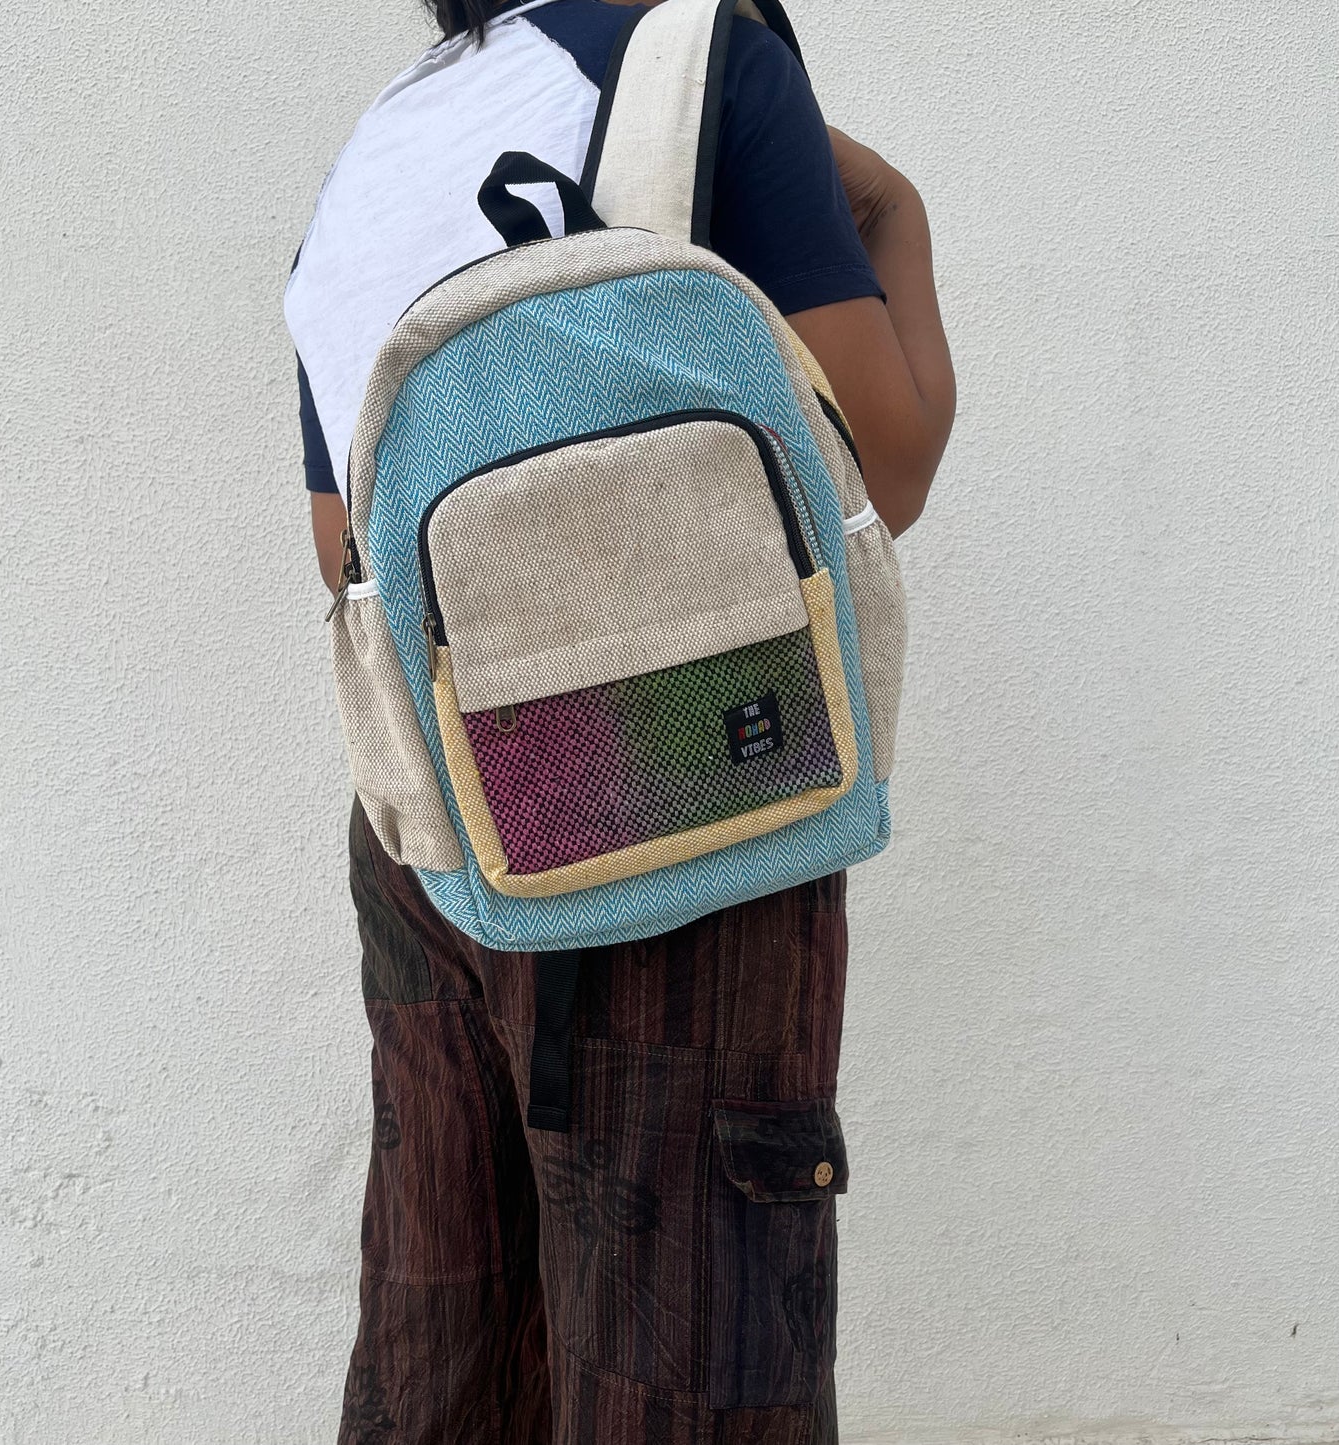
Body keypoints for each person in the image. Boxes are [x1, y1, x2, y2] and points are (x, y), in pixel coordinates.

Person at [286, 2, 954, 1440]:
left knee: (444, 1349)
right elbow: (883, 471)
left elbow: (347, 557)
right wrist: (896, 213)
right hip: (677, 798)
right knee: (691, 1369)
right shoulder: (705, 63)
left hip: (434, 833)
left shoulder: (378, 145)